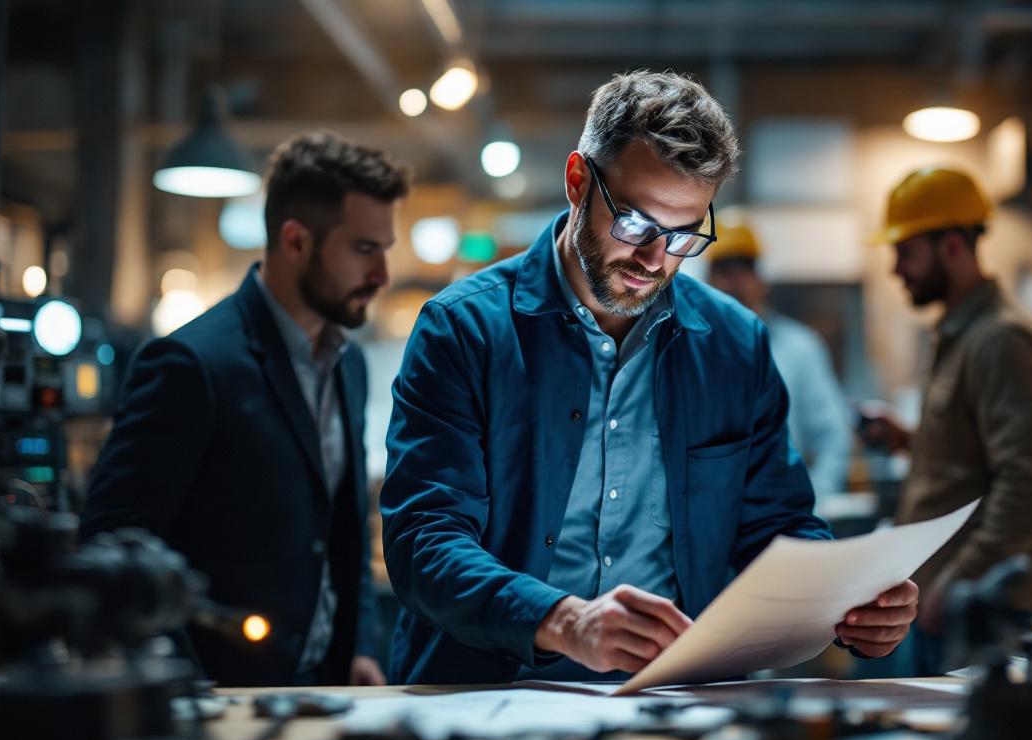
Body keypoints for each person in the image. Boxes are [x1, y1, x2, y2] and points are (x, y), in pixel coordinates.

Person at [381, 71, 917, 685]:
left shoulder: (735, 346)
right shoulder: (464, 330)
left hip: (675, 698)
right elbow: (425, 538)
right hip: (489, 690)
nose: (655, 260)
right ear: (577, 182)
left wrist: (846, 597)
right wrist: (564, 621)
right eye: (636, 224)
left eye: (686, 234)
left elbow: (775, 524)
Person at [82, 130, 409, 686]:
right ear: (296, 241)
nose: (381, 275)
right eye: (363, 249)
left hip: (322, 692)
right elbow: (112, 550)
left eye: (384, 250)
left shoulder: (348, 365)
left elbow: (343, 532)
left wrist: (359, 648)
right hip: (215, 694)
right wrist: (184, 684)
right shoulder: (190, 364)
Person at [858, 167, 1032, 676]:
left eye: (906, 252)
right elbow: (973, 456)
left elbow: (1027, 483)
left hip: (980, 608)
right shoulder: (960, 336)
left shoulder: (1002, 341)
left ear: (951, 246)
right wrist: (911, 440)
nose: (896, 269)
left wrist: (958, 582)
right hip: (947, 602)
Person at [707, 223, 852, 495]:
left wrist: (812, 504)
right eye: (724, 271)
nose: (735, 282)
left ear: (762, 281)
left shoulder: (801, 349)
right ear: (708, 283)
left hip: (780, 511)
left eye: (744, 270)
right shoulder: (692, 351)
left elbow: (833, 437)